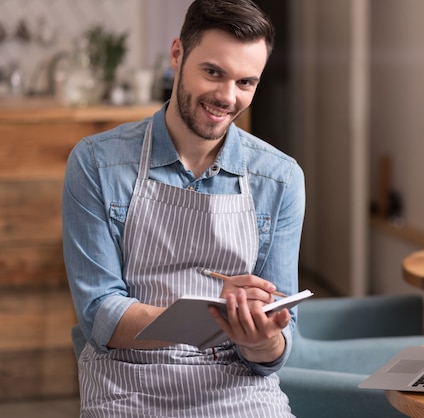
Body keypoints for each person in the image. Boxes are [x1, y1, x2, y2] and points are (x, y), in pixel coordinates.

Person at [62, 1, 305, 416]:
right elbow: (100, 316)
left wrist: (259, 337)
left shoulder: (280, 179)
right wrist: (217, 319)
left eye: (246, 82)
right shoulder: (97, 163)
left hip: (237, 391)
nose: (227, 97)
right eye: (213, 72)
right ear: (177, 55)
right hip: (127, 385)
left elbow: (276, 351)